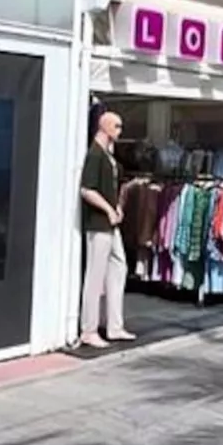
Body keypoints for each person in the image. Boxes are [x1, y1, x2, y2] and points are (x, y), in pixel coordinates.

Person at [77, 110, 134, 349]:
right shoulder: (95, 155)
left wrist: (116, 208)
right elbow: (86, 189)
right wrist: (108, 210)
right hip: (99, 224)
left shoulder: (107, 156)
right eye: (117, 126)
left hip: (110, 224)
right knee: (95, 275)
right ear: (105, 126)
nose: (120, 131)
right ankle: (88, 329)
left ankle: (114, 325)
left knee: (119, 266)